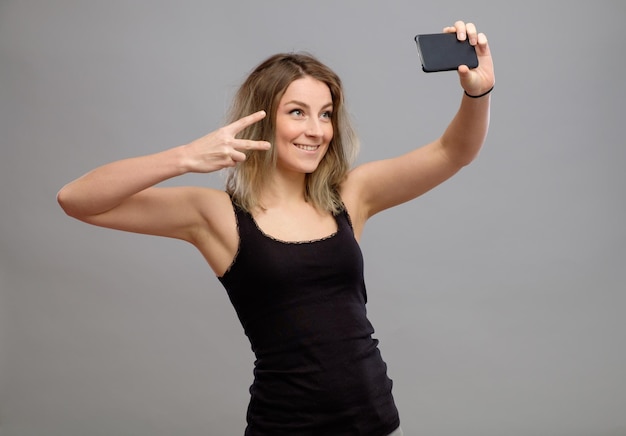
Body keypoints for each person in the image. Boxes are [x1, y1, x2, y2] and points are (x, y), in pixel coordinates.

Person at [57, 20, 494, 436]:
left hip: (378, 422)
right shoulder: (216, 215)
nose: (315, 130)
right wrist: (185, 156)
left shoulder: (350, 195)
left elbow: (453, 152)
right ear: (264, 118)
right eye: (298, 112)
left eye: (325, 114)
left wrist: (479, 93)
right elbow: (76, 200)